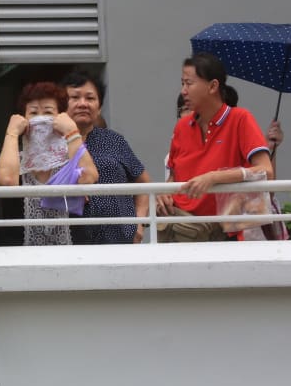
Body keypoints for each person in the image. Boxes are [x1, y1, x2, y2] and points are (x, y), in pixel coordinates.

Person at [156, 53, 273, 242]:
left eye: (189, 83)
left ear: (213, 86)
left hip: (227, 236)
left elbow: (265, 171)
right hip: (181, 232)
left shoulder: (240, 119)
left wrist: (215, 177)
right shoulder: (181, 127)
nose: (183, 91)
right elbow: (174, 177)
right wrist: (164, 193)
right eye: (182, 83)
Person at [0, 82, 98, 245]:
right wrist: (12, 133)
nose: (40, 118)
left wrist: (72, 132)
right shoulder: (13, 157)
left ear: (60, 118)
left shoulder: (70, 154)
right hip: (20, 258)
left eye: (48, 112)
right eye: (33, 113)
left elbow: (88, 177)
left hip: (72, 257)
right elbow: (7, 180)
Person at [61, 70, 151, 244]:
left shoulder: (114, 140)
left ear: (99, 106)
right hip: (71, 244)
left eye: (90, 98)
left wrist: (139, 224)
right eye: (75, 97)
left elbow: (143, 183)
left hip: (120, 240)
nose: (83, 103)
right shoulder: (53, 144)